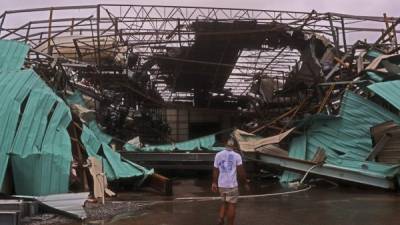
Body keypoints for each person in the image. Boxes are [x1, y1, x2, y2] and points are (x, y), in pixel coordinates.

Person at [211, 135, 249, 225]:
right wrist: (245, 183)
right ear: (234, 146)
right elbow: (241, 172)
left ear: (225, 144)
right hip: (232, 186)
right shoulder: (237, 156)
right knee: (232, 205)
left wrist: (214, 183)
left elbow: (215, 170)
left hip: (221, 185)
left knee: (224, 203)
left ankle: (220, 219)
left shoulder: (218, 155)